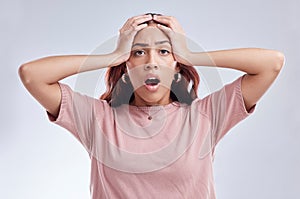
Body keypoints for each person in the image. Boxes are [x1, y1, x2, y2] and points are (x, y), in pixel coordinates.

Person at [19, 13, 285, 199]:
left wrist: (192, 54)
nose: (151, 61)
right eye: (138, 52)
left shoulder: (204, 116)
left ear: (176, 64)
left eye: (164, 51)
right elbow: (32, 74)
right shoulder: (97, 119)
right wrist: (112, 56)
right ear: (127, 65)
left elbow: (271, 63)